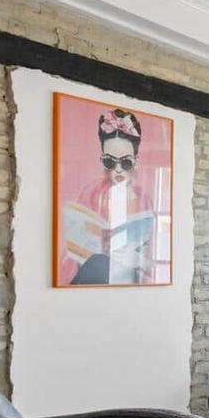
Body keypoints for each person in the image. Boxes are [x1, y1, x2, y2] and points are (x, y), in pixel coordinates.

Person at [60, 108, 159, 285]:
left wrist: (138, 260)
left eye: (126, 162)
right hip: (95, 273)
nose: (118, 169)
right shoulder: (92, 191)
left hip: (128, 279)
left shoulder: (144, 199)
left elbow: (152, 258)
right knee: (99, 261)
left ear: (135, 160)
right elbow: (76, 241)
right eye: (110, 161)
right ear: (102, 159)